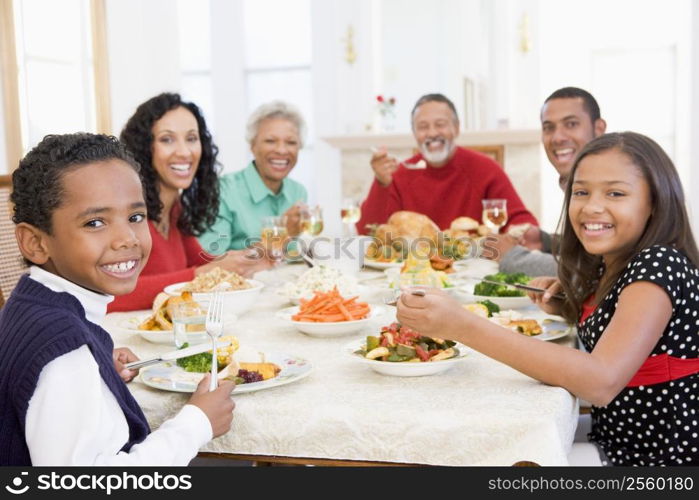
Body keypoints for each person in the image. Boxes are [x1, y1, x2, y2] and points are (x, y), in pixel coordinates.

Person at [397, 132, 699, 466]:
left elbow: (600, 381)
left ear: (655, 201)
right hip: (616, 434)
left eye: (615, 193)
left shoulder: (659, 264)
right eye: (581, 192)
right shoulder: (617, 260)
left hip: (656, 458)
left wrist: (462, 325)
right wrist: (569, 306)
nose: (592, 206)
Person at [0, 133, 235, 465]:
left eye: (136, 217)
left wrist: (97, 367)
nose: (126, 238)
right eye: (95, 222)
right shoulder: (65, 355)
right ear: (35, 243)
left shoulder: (32, 302)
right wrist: (196, 423)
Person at [110, 93, 271, 312]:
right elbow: (113, 294)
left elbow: (203, 263)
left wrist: (244, 260)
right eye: (167, 139)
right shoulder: (126, 213)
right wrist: (200, 274)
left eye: (192, 138)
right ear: (144, 148)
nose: (184, 152)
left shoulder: (174, 207)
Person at [356, 93, 538, 234]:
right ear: (414, 133)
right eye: (423, 127)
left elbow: (520, 221)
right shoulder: (400, 174)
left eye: (440, 124)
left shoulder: (485, 169)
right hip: (412, 271)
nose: (432, 133)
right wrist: (381, 183)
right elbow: (367, 232)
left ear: (456, 128)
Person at [488, 87, 607, 276]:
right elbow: (592, 253)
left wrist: (512, 257)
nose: (558, 137)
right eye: (549, 128)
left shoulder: (611, 182)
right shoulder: (575, 181)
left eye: (571, 124)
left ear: (599, 129)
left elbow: (594, 272)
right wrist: (545, 241)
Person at [199, 100, 308, 253]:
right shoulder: (222, 191)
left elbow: (290, 255)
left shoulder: (298, 192)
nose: (282, 150)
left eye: (291, 142)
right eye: (270, 141)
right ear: (252, 145)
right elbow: (212, 259)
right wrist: (282, 232)